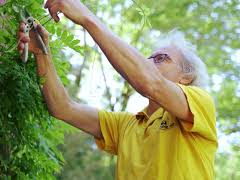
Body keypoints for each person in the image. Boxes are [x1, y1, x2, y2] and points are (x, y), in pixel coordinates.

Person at [17, 0, 218, 179]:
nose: (149, 63)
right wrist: (41, 53)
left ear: (186, 78)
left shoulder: (200, 104)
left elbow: (151, 83)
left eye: (161, 58)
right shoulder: (126, 126)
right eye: (149, 58)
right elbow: (62, 107)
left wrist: (86, 17)